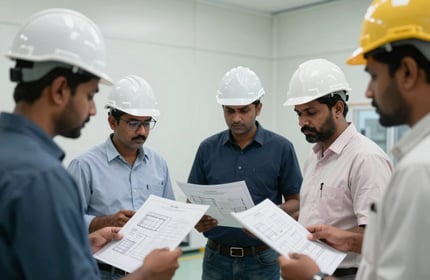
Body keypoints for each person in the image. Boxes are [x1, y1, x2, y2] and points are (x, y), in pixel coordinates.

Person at [0, 8, 181, 280]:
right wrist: (146, 275)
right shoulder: (43, 177)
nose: (93, 110)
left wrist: (81, 245)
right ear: (60, 90)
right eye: (90, 95)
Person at [279, 0, 430, 279]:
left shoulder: (378, 160)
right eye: (299, 114)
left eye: (373, 76)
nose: (369, 91)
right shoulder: (314, 157)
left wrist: (315, 277)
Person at [188, 66, 303, 280]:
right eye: (229, 111)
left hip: (263, 259)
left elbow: (296, 201)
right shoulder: (207, 148)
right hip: (215, 258)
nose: (236, 118)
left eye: (243, 110)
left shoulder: (281, 148)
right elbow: (191, 201)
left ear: (258, 108)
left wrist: (269, 216)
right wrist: (196, 219)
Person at [283, 58, 392, 279]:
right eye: (298, 113)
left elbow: (381, 238)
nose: (302, 122)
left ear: (338, 108)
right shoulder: (314, 158)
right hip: (307, 270)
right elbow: (318, 213)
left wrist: (340, 237)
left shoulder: (366, 159)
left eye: (310, 112)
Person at [67, 74, 175, 278]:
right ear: (112, 122)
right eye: (133, 123)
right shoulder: (84, 165)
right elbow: (66, 221)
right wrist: (104, 221)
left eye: (147, 123)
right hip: (102, 272)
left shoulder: (158, 163)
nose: (142, 131)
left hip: (148, 270)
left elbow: (169, 213)